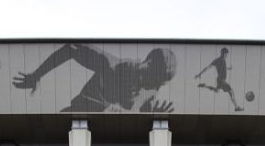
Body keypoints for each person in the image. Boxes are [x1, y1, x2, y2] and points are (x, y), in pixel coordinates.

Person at [13, 43, 176, 113]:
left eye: (156, 85)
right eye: (149, 80)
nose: (149, 87)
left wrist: (155, 120)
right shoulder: (111, 66)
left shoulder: (151, 90)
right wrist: (36, 75)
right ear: (146, 65)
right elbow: (71, 48)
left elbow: (140, 113)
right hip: (76, 120)